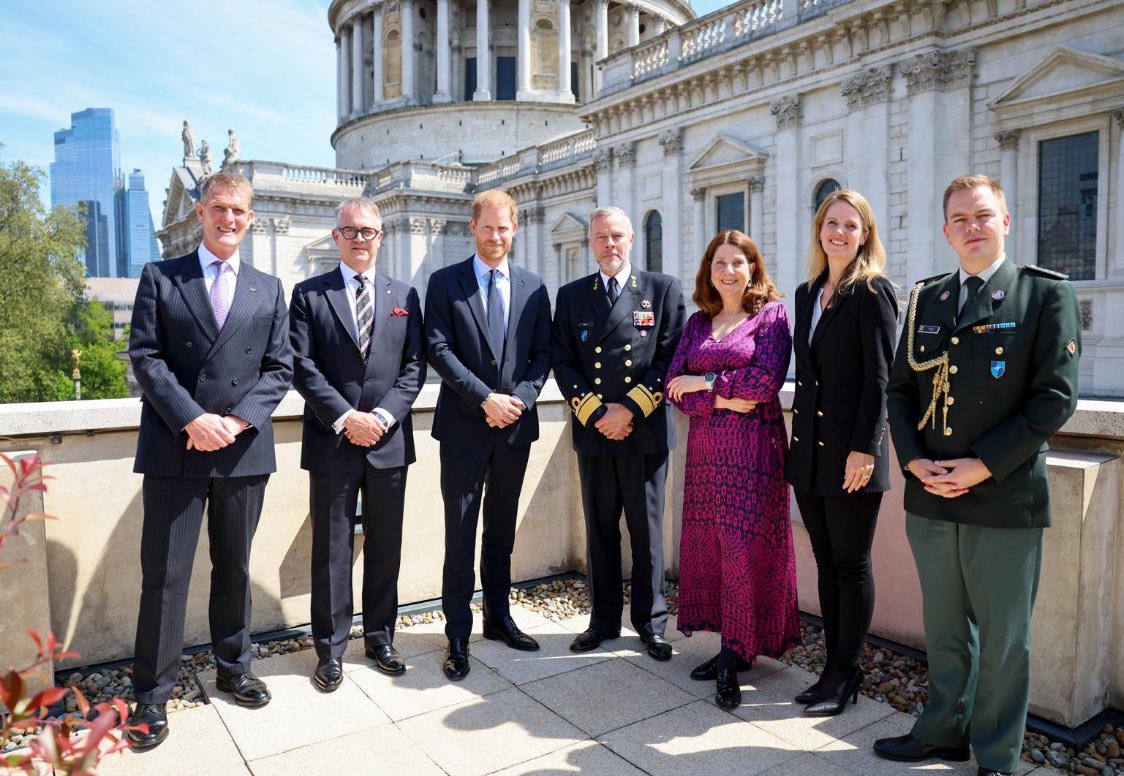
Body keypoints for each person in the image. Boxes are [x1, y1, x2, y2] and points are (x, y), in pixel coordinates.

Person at [874, 175, 1081, 776]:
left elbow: (1053, 399)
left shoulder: (1042, 297)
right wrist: (913, 461)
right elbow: (899, 391)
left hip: (1003, 496)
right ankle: (942, 730)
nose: (972, 226)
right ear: (946, 230)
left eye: (983, 215)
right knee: (943, 628)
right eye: (960, 218)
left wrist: (982, 464)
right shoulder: (928, 299)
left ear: (1006, 222)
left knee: (1004, 638)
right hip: (932, 495)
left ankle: (995, 753)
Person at [125, 172, 292, 750]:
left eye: (239, 211)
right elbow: (145, 357)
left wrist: (237, 420)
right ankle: (151, 695)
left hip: (243, 450)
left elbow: (280, 369)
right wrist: (193, 419)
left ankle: (234, 665)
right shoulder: (161, 276)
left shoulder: (269, 288)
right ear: (200, 212)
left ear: (251, 217)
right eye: (218, 209)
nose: (228, 220)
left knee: (235, 568)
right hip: (176, 447)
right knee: (165, 578)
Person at [288, 198, 425, 692]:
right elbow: (302, 366)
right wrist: (348, 419)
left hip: (388, 442)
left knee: (386, 544)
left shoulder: (404, 294)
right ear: (336, 237)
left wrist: (382, 417)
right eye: (351, 231)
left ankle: (381, 637)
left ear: (381, 236)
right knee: (331, 550)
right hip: (333, 442)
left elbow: (414, 368)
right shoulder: (308, 294)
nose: (360, 239)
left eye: (368, 231)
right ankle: (329, 648)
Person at [665, 230, 797, 708]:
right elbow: (670, 386)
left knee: (743, 545)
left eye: (737, 262)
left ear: (753, 267)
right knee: (712, 546)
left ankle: (736, 654)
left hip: (754, 452)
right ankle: (730, 645)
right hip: (705, 453)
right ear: (709, 271)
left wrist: (705, 382)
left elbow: (764, 383)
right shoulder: (699, 322)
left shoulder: (772, 315)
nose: (728, 271)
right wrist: (725, 396)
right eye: (719, 263)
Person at [425, 189, 553, 680]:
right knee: (460, 532)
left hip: (515, 428)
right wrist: (485, 399)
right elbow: (438, 349)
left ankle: (498, 618)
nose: (496, 236)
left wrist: (518, 398)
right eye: (488, 227)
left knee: (500, 531)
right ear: (472, 227)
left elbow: (543, 354)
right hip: (463, 428)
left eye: (504, 228)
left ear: (513, 230)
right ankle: (458, 631)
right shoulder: (445, 283)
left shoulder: (534, 286)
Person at [552, 206, 685, 661]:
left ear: (631, 240)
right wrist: (596, 413)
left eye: (617, 237)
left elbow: (672, 359)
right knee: (600, 530)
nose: (609, 245)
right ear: (590, 242)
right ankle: (603, 621)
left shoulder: (661, 289)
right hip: (594, 433)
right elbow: (564, 361)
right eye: (601, 237)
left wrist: (628, 409)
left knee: (647, 532)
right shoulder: (571, 296)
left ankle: (651, 624)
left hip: (643, 432)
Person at [785, 190, 898, 716]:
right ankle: (831, 668)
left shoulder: (873, 291)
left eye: (850, 225)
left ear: (865, 235)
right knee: (825, 562)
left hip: (852, 456)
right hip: (808, 455)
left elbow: (881, 380)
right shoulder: (806, 293)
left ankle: (845, 675)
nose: (839, 232)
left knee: (850, 565)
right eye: (831, 223)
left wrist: (865, 451)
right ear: (819, 230)